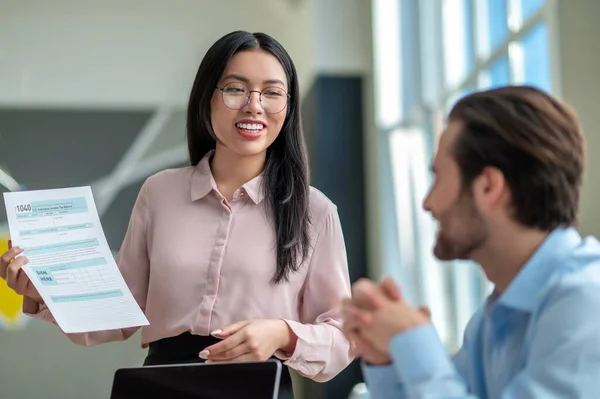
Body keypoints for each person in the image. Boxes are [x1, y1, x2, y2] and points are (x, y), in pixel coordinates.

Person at [0, 30, 353, 398]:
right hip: (160, 386)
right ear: (206, 99)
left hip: (257, 386)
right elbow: (119, 313)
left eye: (272, 92)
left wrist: (282, 333)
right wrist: (45, 291)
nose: (254, 105)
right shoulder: (159, 192)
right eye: (235, 89)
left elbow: (343, 338)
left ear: (288, 105)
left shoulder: (315, 211)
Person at [342, 85, 600, 398]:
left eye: (437, 177)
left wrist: (413, 339)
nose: (427, 203)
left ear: (489, 187)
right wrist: (385, 360)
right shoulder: (491, 320)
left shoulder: (588, 301)